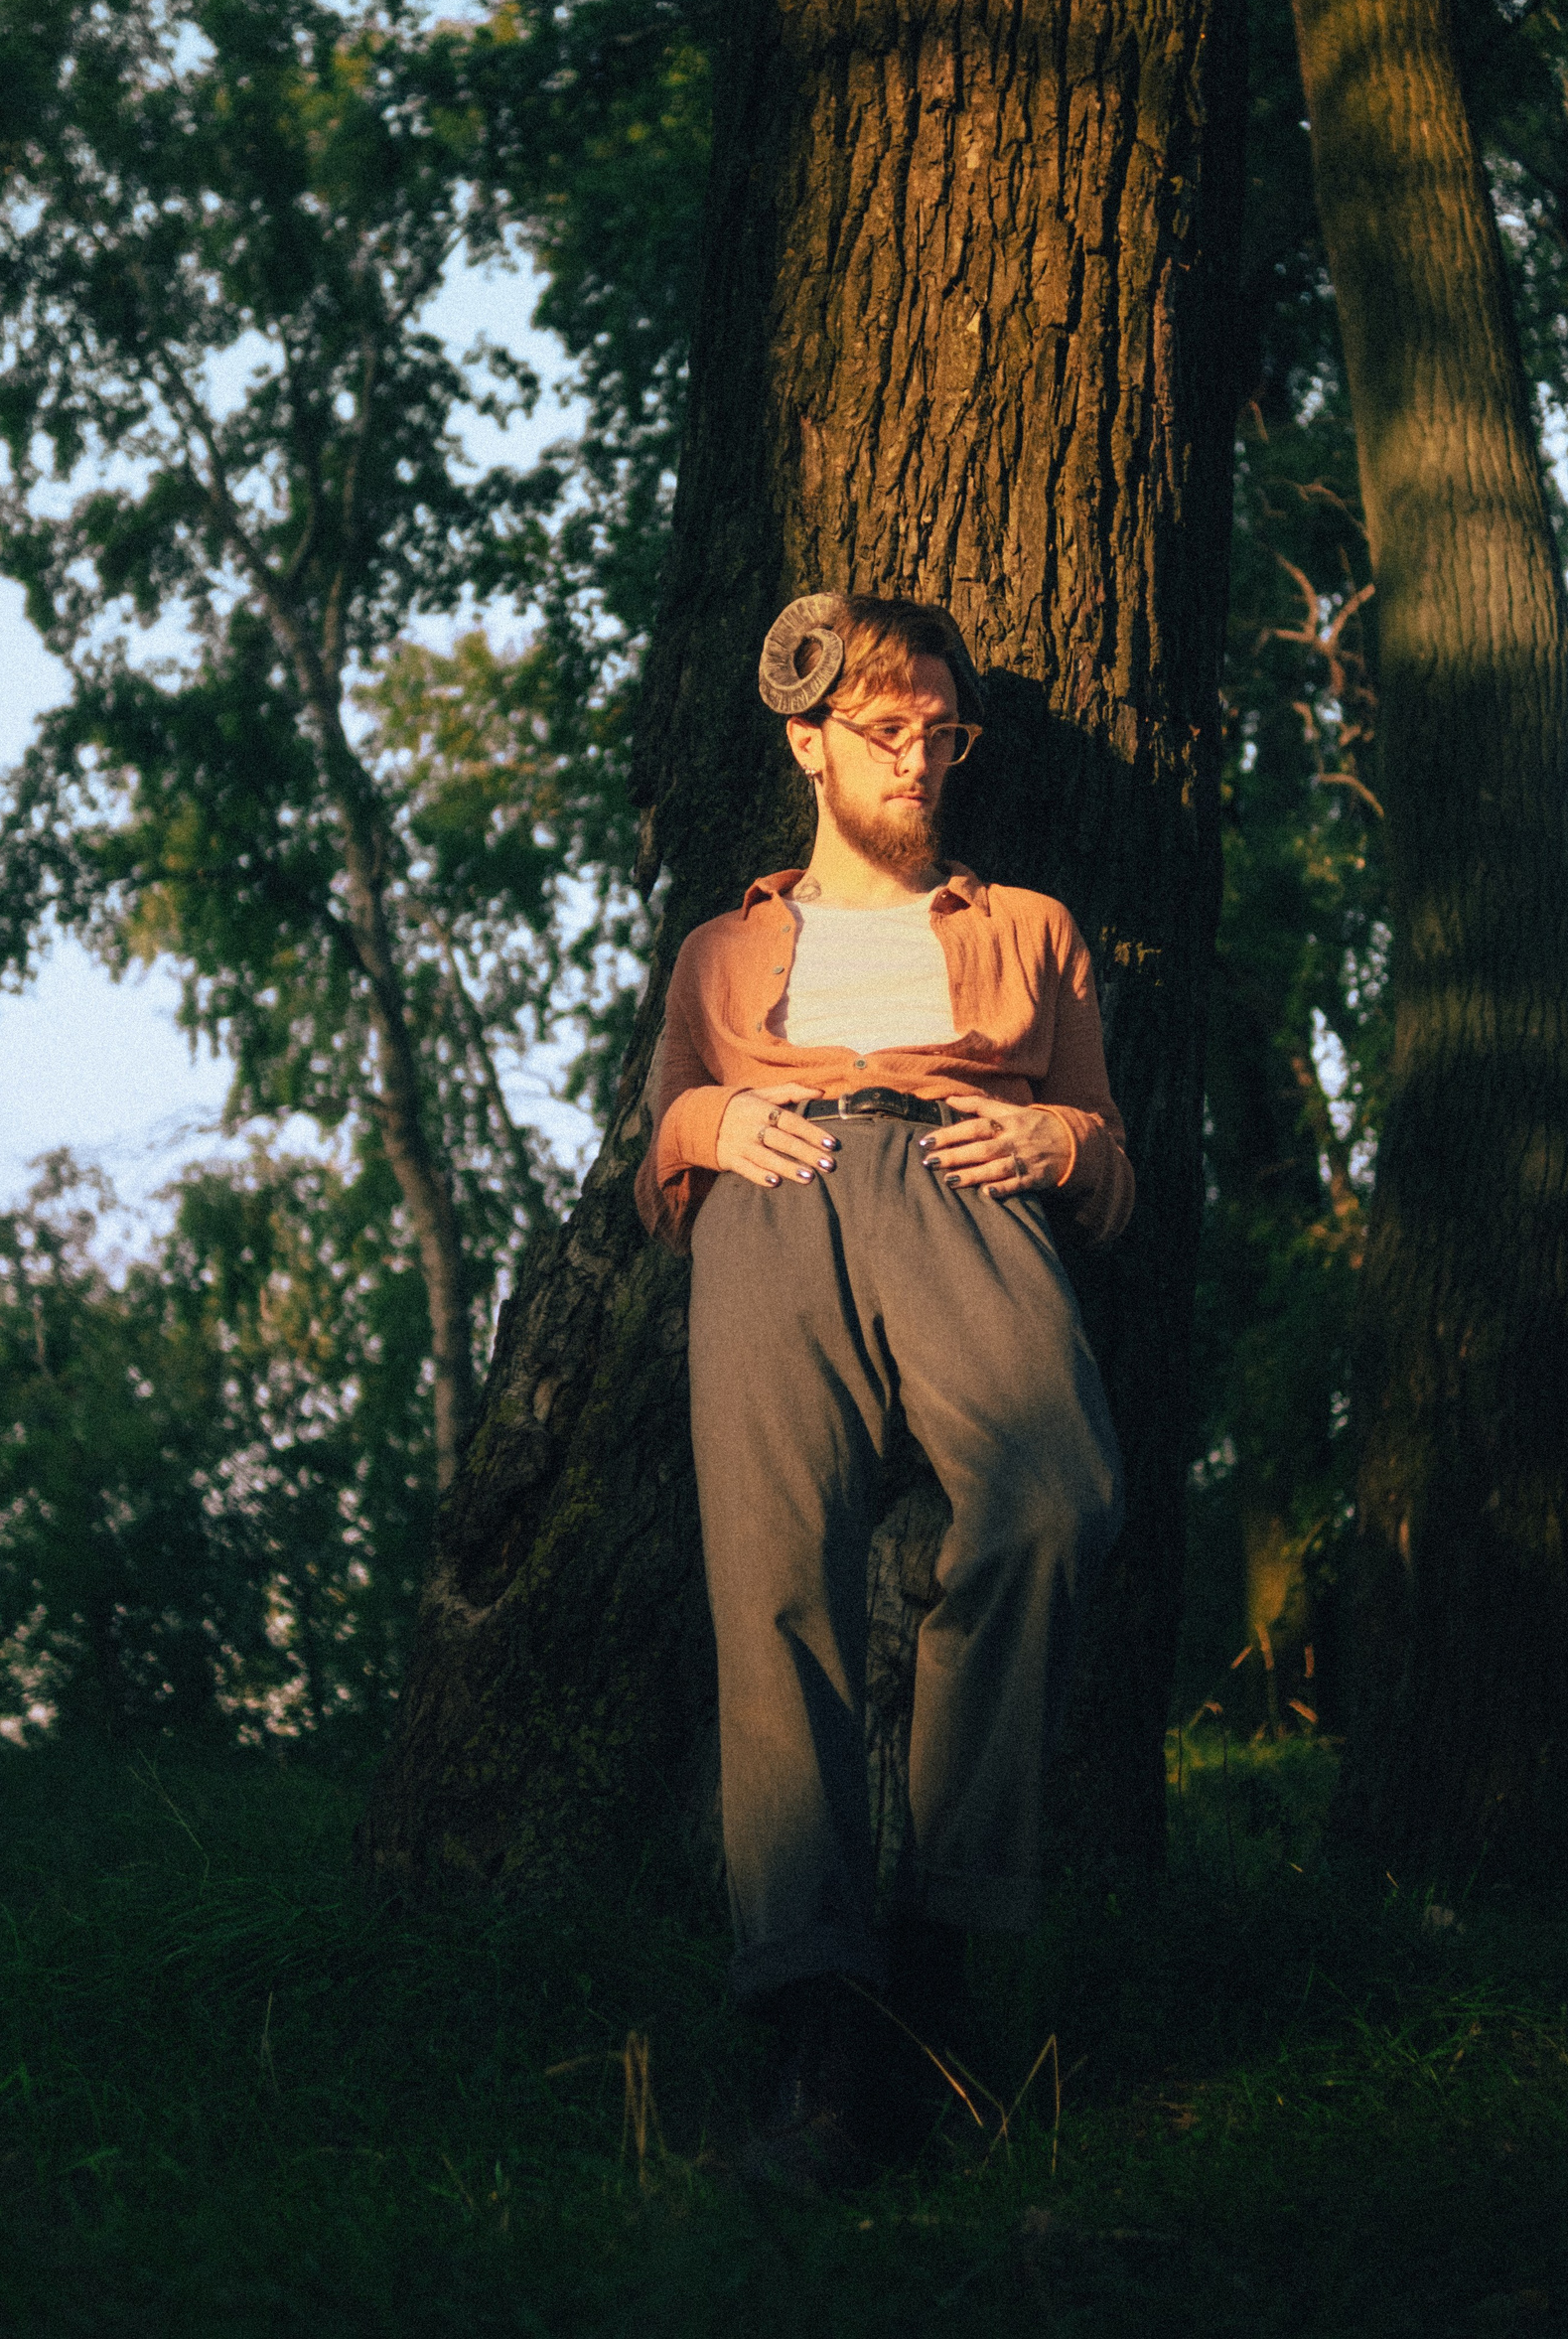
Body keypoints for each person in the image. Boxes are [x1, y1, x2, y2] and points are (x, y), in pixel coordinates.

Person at [634, 592, 1132, 2190]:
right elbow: (657, 1142)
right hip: (775, 1194)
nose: (920, 759)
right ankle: (821, 2020)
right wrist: (711, 1127)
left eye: (942, 732)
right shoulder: (724, 950)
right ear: (811, 744)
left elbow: (1111, 1156)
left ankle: (939, 1943)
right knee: (774, 1580)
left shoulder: (1029, 927)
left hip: (963, 1184)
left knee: (1057, 1504)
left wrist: (1060, 1141)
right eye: (887, 730)